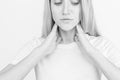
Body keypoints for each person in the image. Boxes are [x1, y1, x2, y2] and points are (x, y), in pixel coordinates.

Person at [0, 0, 120, 80]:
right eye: (58, 3)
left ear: (84, 6)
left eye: (74, 2)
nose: (66, 11)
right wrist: (39, 52)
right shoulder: (38, 46)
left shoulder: (100, 45)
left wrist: (91, 51)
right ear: (50, 7)